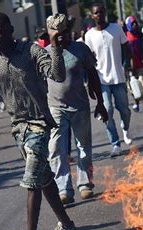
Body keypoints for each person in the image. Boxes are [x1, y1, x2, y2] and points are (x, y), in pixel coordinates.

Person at [0, 12, 77, 230]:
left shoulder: (30, 51)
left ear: (10, 29)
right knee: (44, 179)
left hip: (39, 124)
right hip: (18, 128)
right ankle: (67, 226)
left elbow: (57, 75)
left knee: (31, 179)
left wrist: (55, 48)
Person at [45, 15, 108, 204]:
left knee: (83, 147)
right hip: (55, 108)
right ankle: (63, 188)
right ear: (49, 34)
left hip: (79, 106)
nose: (61, 37)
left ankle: (85, 183)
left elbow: (92, 74)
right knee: (56, 149)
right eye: (57, 34)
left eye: (64, 33)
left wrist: (100, 103)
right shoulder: (44, 53)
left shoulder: (80, 50)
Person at [85, 3, 134, 157]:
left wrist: (128, 66)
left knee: (125, 111)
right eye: (96, 13)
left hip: (118, 77)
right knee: (107, 111)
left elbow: (126, 48)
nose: (99, 15)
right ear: (92, 16)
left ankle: (125, 127)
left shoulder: (116, 28)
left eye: (101, 12)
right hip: (102, 80)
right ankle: (115, 144)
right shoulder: (89, 35)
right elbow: (89, 60)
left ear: (105, 13)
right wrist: (90, 82)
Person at [126, 16, 143, 113]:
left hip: (141, 65)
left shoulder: (141, 36)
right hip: (130, 67)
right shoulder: (125, 37)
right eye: (132, 23)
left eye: (135, 23)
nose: (135, 25)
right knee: (134, 87)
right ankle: (136, 103)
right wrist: (127, 66)